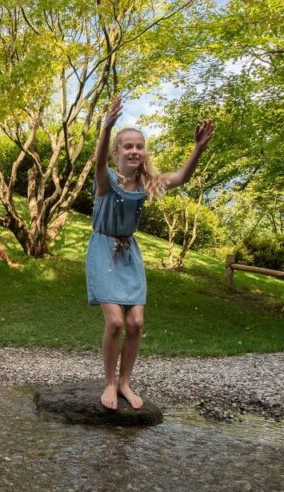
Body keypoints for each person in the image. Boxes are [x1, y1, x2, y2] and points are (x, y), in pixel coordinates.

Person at [88, 95, 214, 410]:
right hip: (103, 250)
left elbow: (182, 178)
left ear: (144, 153)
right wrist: (106, 130)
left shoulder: (148, 184)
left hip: (129, 253)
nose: (134, 150)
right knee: (115, 322)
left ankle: (125, 383)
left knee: (136, 323)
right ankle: (108, 383)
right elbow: (98, 163)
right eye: (127, 146)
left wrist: (198, 148)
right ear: (117, 152)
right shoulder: (106, 181)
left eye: (139, 146)